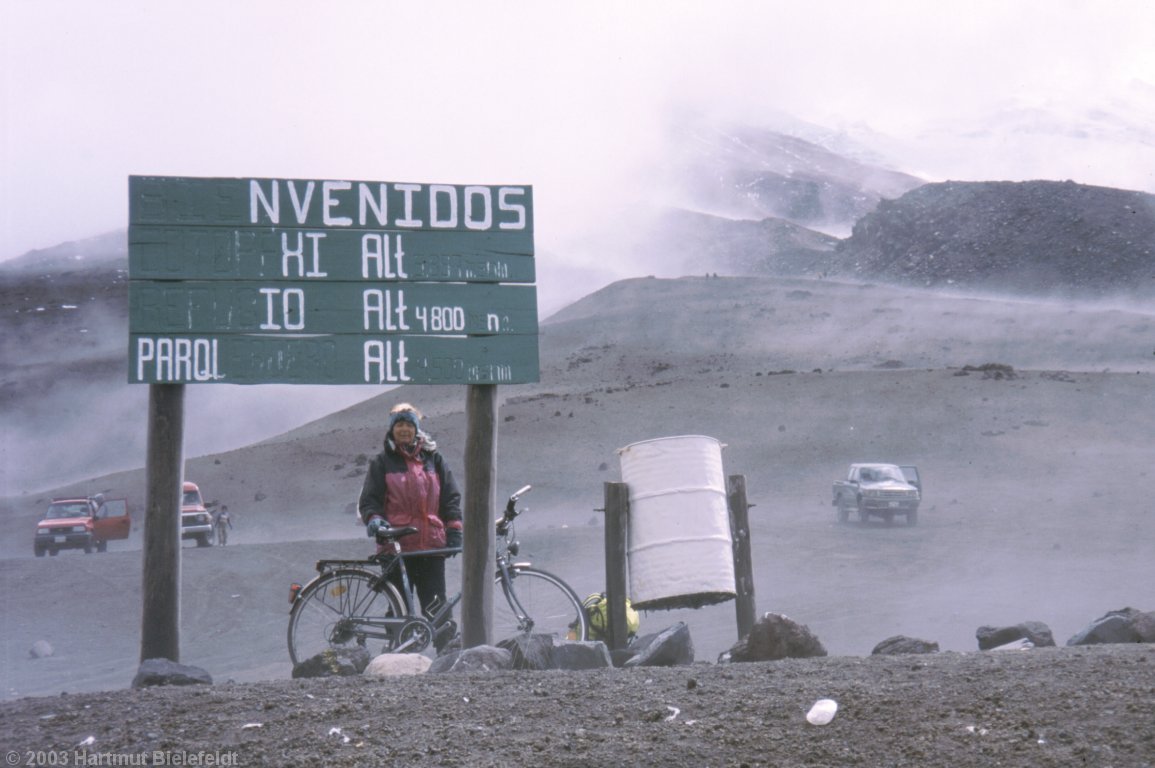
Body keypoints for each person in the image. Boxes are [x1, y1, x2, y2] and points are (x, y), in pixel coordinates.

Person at [358, 403, 463, 622]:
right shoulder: (382, 462)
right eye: (399, 425)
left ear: (416, 429)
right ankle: (396, 652)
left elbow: (450, 496)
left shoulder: (434, 460)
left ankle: (446, 652)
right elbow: (370, 500)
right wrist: (375, 520)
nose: (404, 429)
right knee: (399, 610)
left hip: (430, 547)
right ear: (392, 430)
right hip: (396, 546)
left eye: (408, 425)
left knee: (437, 607)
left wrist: (454, 528)